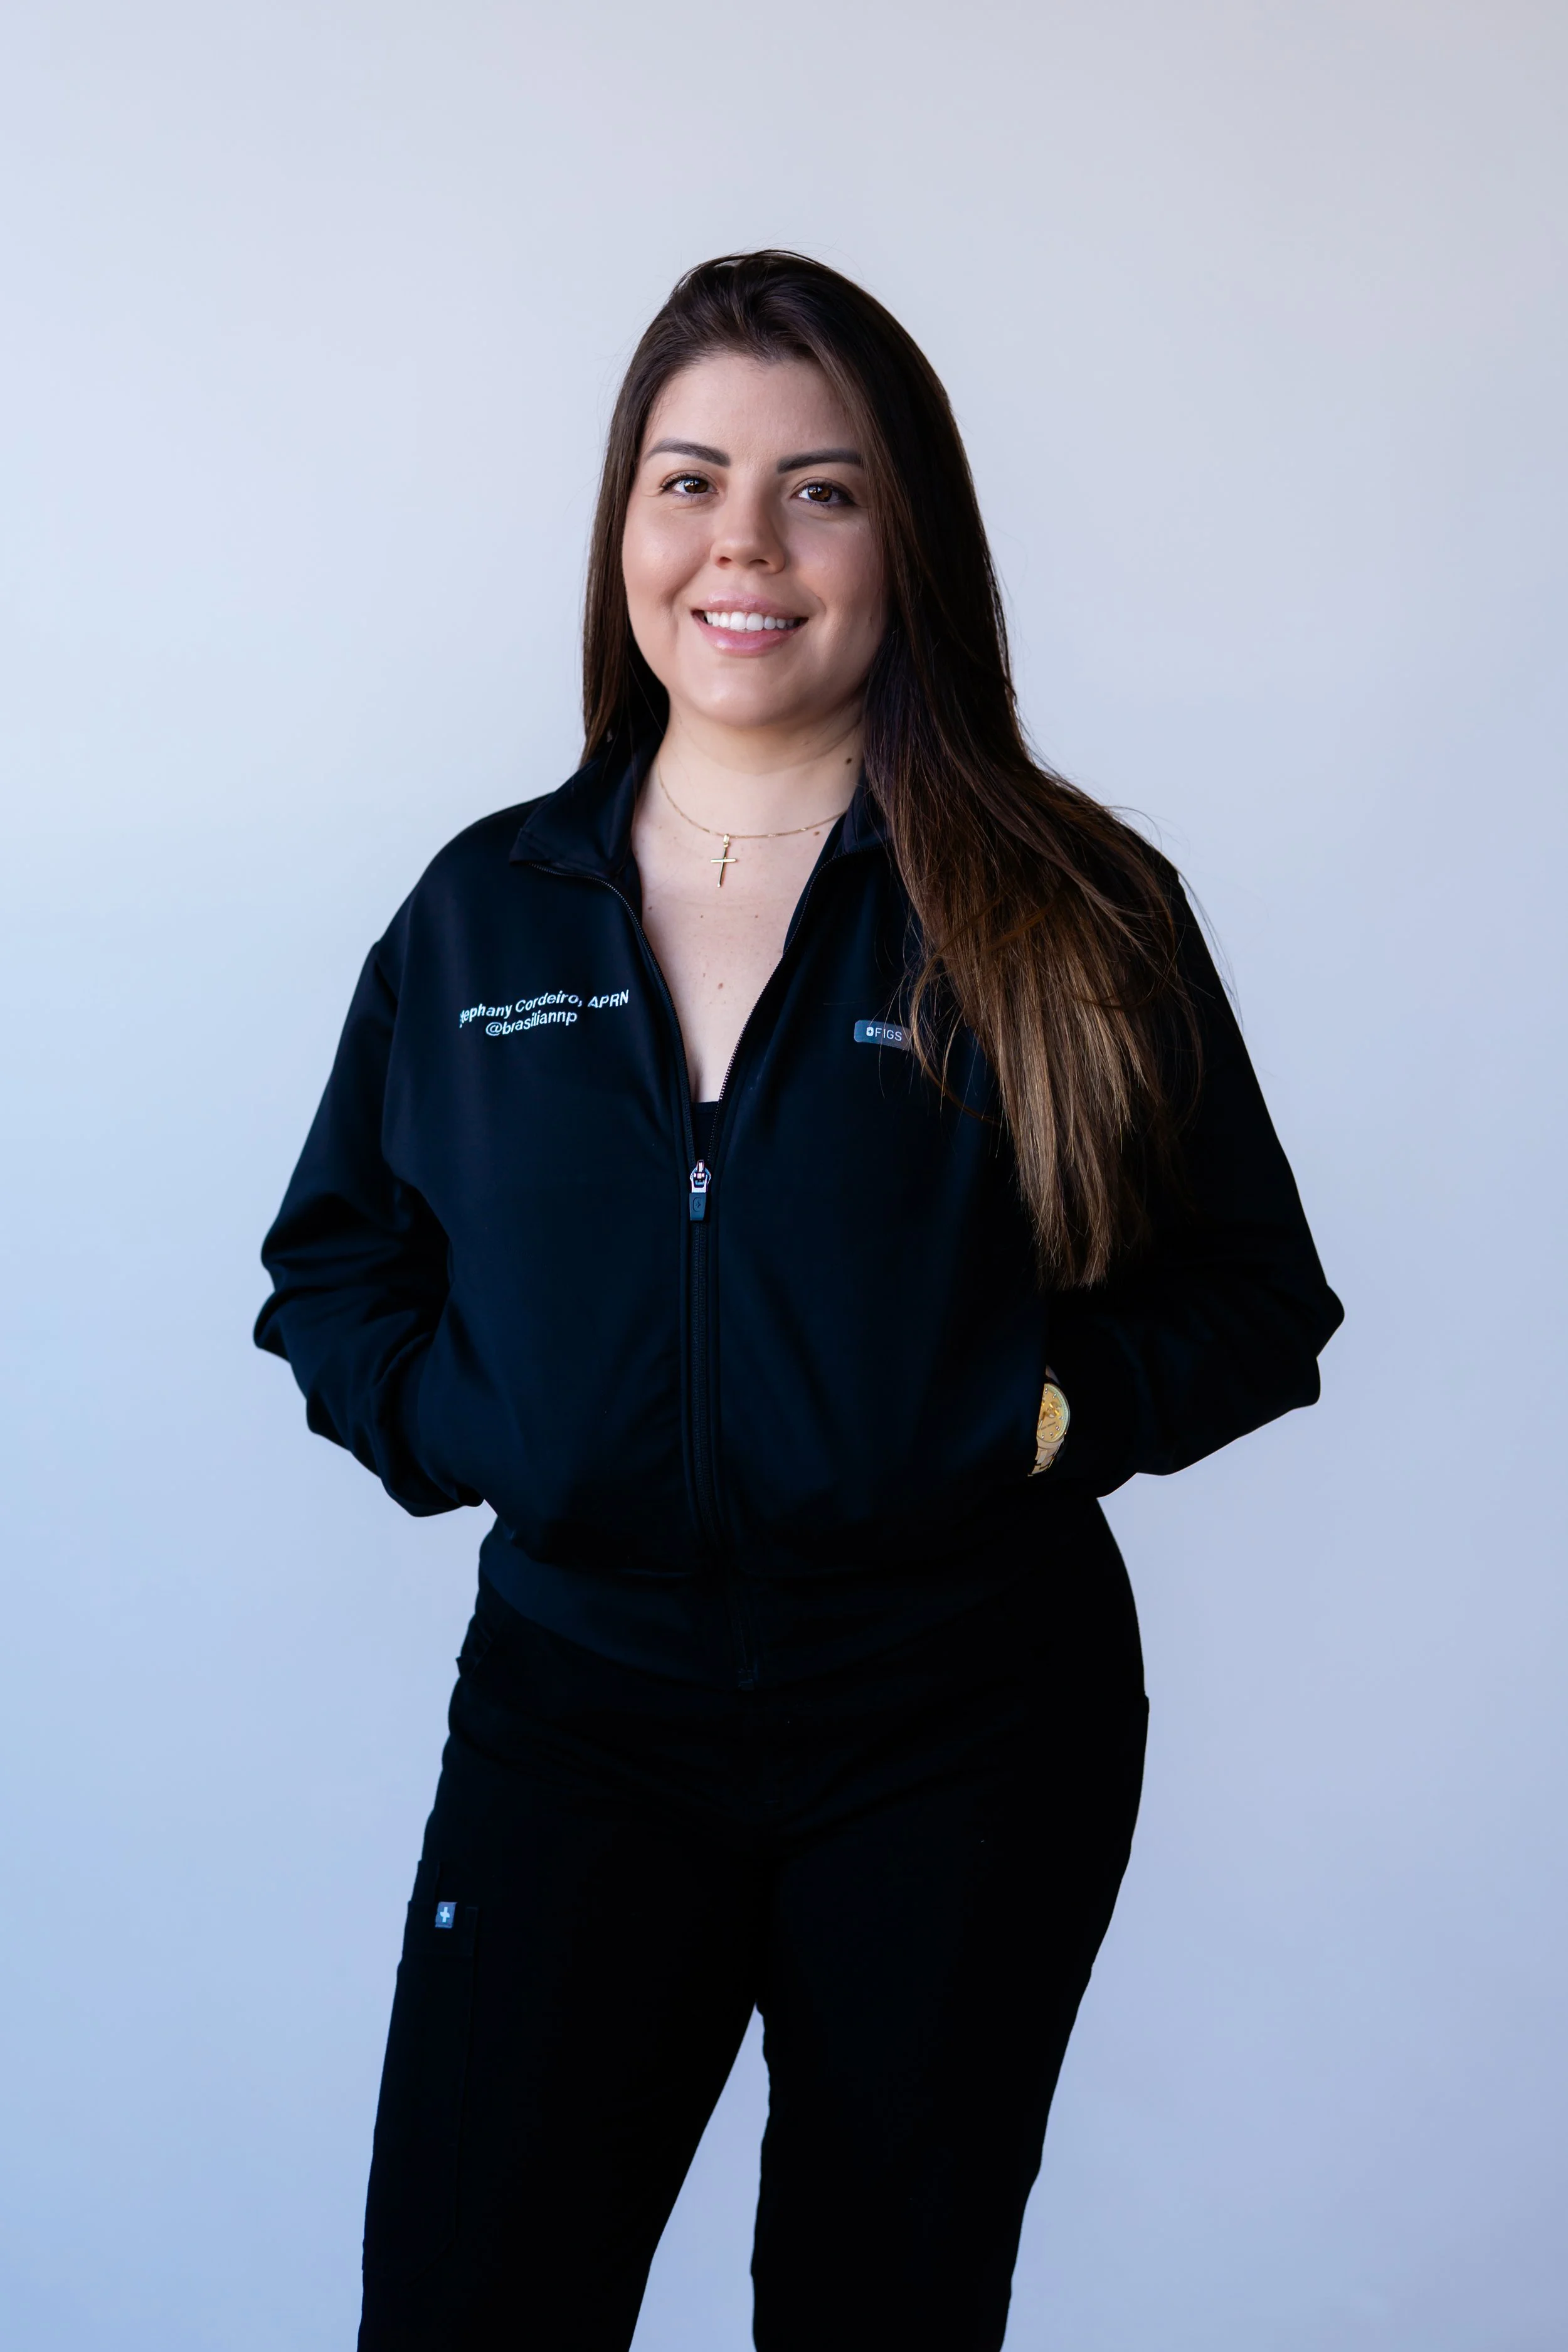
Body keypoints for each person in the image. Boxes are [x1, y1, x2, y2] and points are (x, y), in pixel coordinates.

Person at [255, 250, 1342, 2352]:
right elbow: (334, 1263)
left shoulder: (1060, 906)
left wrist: (1024, 1414)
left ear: (902, 535)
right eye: (688, 482)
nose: (741, 544)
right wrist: (486, 1425)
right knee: (471, 2303)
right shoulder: (489, 907)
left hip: (959, 1731)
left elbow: (1251, 1294)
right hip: (578, 1717)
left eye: (818, 489)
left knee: (877, 2311)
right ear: (624, 530)